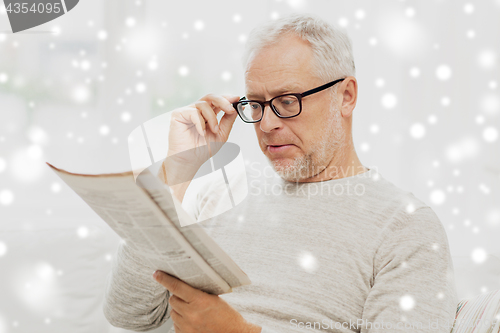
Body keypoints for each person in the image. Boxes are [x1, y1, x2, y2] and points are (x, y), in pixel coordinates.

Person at [103, 13, 458, 332]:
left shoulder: (406, 225)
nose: (267, 124)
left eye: (287, 101)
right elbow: (129, 314)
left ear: (346, 96)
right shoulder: (217, 197)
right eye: (255, 104)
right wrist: (176, 173)